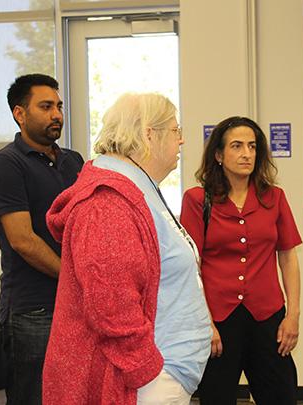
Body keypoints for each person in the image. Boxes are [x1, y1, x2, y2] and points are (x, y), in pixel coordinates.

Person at [42, 93, 212, 405]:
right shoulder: (106, 202)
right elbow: (110, 304)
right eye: (176, 131)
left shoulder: (135, 188)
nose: (182, 141)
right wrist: (146, 370)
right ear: (149, 134)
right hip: (145, 382)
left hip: (159, 374)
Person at [180, 116, 302, 405]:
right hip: (219, 320)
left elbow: (288, 257)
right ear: (219, 155)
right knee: (217, 397)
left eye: (252, 146)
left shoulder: (274, 197)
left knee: (281, 395)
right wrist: (204, 323)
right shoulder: (197, 200)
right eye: (237, 146)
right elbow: (190, 267)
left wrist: (293, 315)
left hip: (267, 316)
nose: (247, 153)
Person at [0, 73, 84, 405]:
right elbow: (23, 240)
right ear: (20, 113)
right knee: (34, 398)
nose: (57, 114)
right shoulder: (5, 165)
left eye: (59, 106)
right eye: (46, 106)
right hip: (32, 309)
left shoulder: (74, 161)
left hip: (75, 303)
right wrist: (74, 278)